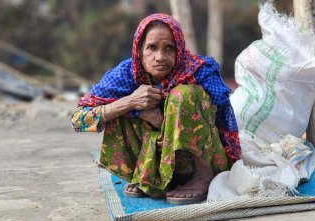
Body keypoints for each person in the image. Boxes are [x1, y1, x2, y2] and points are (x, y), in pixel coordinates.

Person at [71, 13, 241, 204]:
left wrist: (168, 114)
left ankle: (203, 177)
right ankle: (147, 176)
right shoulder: (126, 75)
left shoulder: (199, 70)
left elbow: (221, 112)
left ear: (179, 50)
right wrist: (132, 104)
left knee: (184, 95)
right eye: (152, 47)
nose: (160, 57)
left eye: (169, 48)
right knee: (118, 106)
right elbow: (78, 120)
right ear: (139, 50)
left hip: (200, 158)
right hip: (155, 160)